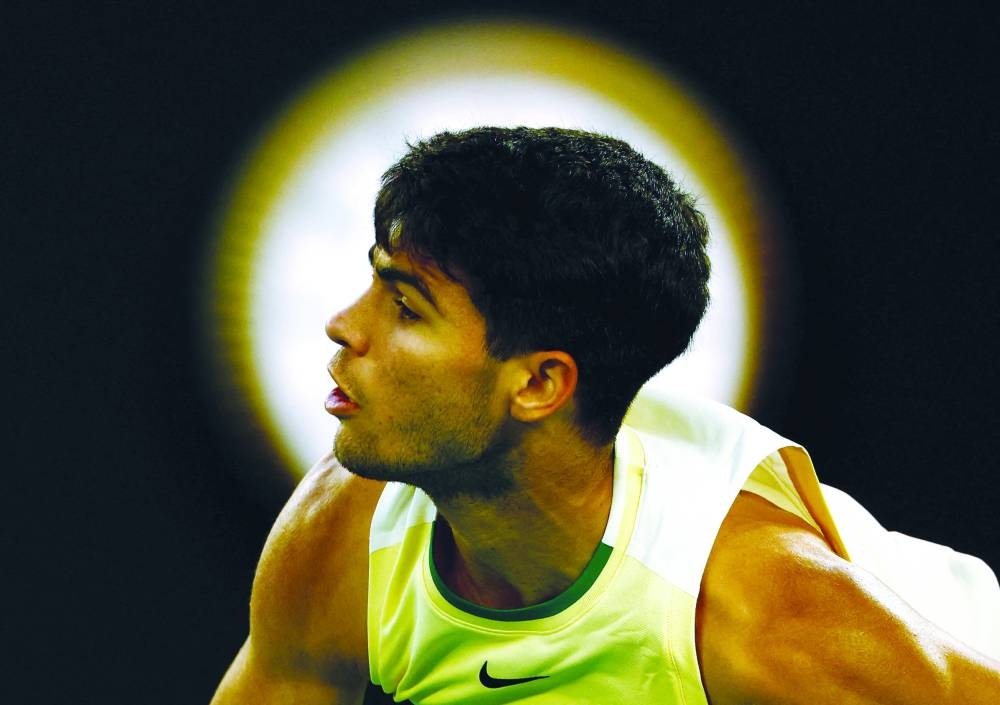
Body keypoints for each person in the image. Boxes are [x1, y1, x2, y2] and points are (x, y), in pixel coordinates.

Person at [211, 126, 1000, 704]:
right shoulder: (347, 530)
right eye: (373, 283)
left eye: (407, 308)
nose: (344, 325)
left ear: (539, 383)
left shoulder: (764, 615)